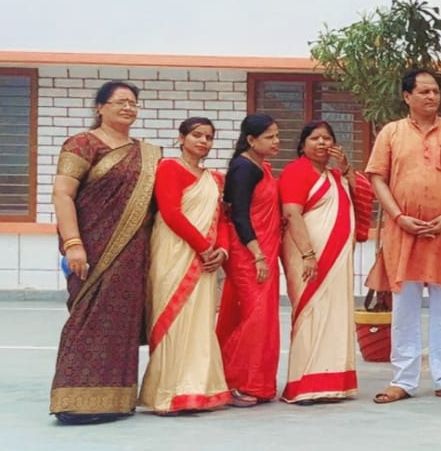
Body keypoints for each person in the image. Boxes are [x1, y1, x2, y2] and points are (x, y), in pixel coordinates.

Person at [50, 81, 161, 424]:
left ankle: (115, 400)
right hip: (92, 249)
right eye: (120, 102)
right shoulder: (83, 144)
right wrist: (73, 243)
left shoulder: (147, 153)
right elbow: (63, 194)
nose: (128, 108)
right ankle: (73, 401)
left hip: (133, 253)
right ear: (100, 107)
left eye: (133, 103)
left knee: (121, 323)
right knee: (86, 319)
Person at [367, 68, 441, 405]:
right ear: (407, 96)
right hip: (404, 234)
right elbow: (377, 178)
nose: (432, 97)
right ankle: (403, 379)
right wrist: (398, 217)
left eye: (435, 91)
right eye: (424, 91)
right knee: (405, 308)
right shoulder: (391, 133)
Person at [139, 117, 231, 415]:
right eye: (196, 135)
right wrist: (204, 248)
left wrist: (222, 251)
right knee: (173, 319)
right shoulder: (169, 167)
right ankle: (167, 394)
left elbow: (222, 219)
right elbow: (171, 213)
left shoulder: (214, 179)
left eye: (208, 137)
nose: (203, 141)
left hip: (207, 258)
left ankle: (198, 390)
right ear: (181, 138)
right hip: (174, 253)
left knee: (200, 322)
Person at [278, 121, 359, 404]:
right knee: (310, 313)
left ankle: (332, 381)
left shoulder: (336, 176)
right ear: (302, 145)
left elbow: (360, 199)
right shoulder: (295, 171)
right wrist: (308, 254)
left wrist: (346, 168)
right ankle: (302, 384)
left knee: (335, 313)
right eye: (315, 138)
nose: (322, 143)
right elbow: (292, 213)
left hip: (337, 258)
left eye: (327, 138)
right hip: (307, 254)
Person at [216, 114, 283, 406]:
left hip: (263, 249)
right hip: (249, 252)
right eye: (269, 137)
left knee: (259, 317)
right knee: (255, 318)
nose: (276, 141)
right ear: (251, 140)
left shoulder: (260, 166)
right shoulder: (244, 168)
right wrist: (257, 255)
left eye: (277, 135)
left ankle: (256, 383)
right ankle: (235, 381)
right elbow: (239, 215)